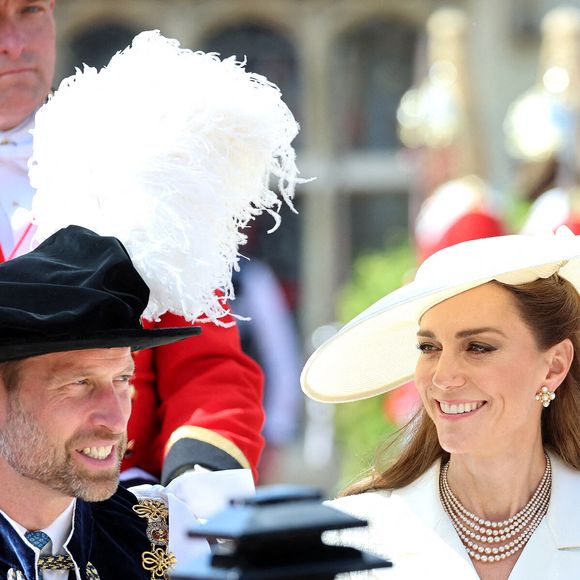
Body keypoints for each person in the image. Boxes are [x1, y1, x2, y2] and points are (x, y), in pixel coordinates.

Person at [0, 0, 264, 486]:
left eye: (30, 11)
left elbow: (209, 368)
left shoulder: (132, 156)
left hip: (123, 505)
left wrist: (195, 483)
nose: (13, 42)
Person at [301, 228, 580, 578]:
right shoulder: (349, 540)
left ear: (553, 366)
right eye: (429, 348)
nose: (443, 377)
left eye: (478, 347)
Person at [0, 224, 256, 579]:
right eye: (79, 383)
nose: (115, 417)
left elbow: (211, 376)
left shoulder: (164, 535)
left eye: (123, 380)